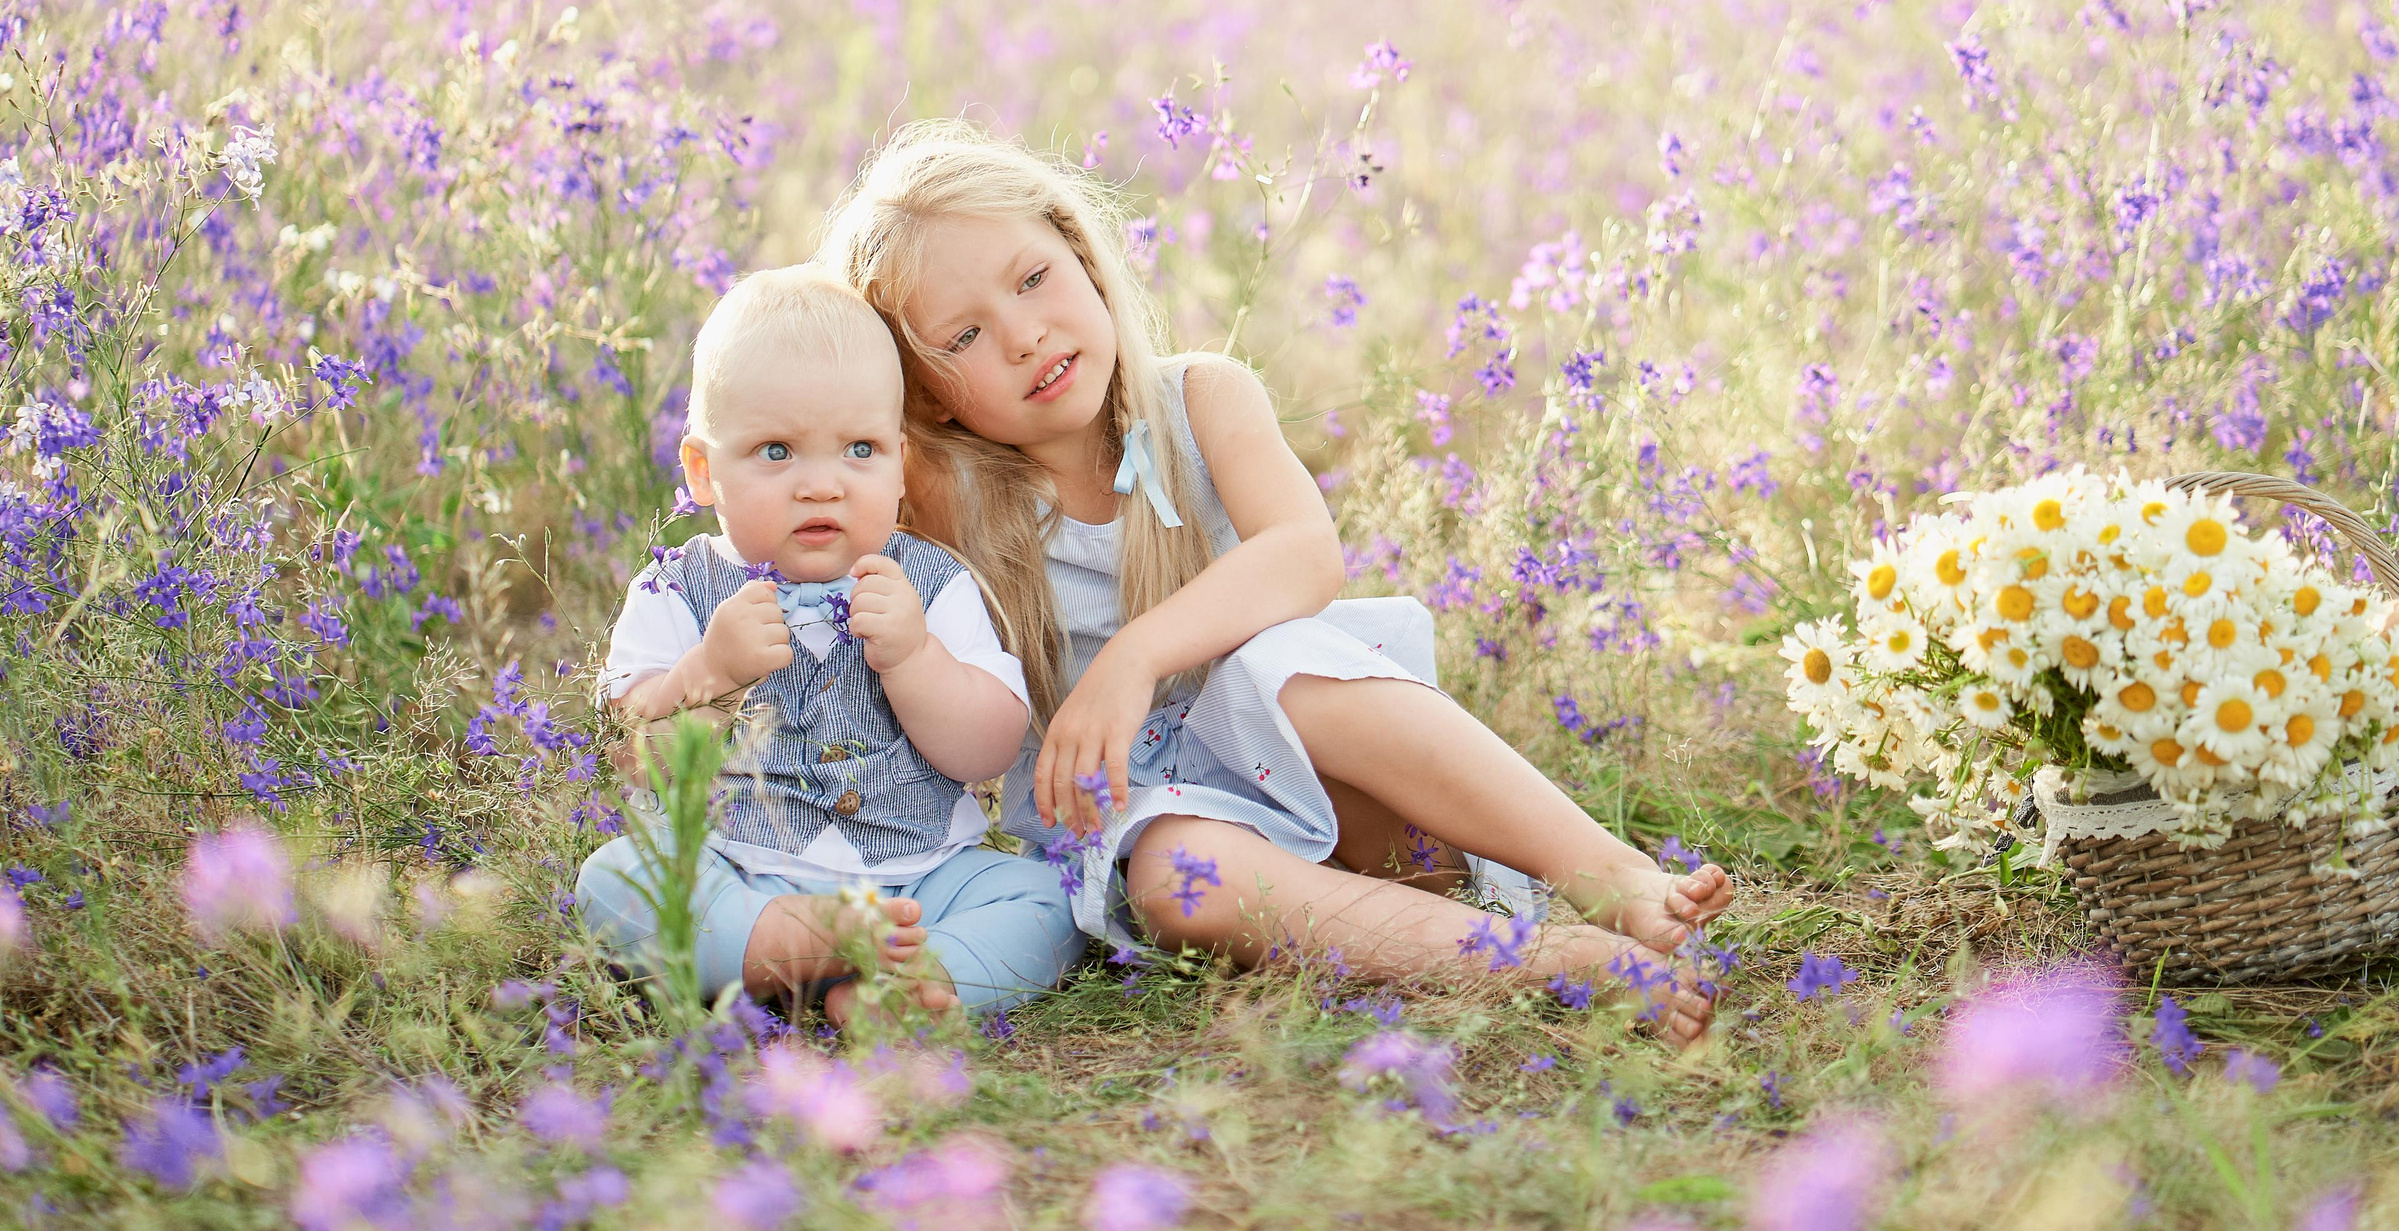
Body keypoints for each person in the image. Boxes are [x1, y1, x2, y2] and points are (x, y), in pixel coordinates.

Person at [820, 121, 1733, 1044]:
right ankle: (1550, 961)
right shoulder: (947, 501)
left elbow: (1306, 553)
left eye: (1032, 279)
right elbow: (800, 443)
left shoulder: (1200, 401)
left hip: (1387, 831)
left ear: (1085, 262)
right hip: (1223, 860)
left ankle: (1612, 877)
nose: (1024, 335)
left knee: (1283, 667)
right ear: (925, 394)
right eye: (965, 335)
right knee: (1171, 877)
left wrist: (1134, 658)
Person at [574, 265, 1083, 1025]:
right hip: (738, 871)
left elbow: (987, 750)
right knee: (613, 883)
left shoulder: (931, 582)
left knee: (1048, 898)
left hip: (923, 879)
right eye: (777, 451)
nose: (822, 485)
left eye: (859, 449)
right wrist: (709, 673)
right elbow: (630, 755)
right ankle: (800, 941)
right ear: (704, 472)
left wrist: (916, 660)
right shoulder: (675, 589)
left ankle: (916, 983)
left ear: (902, 465)